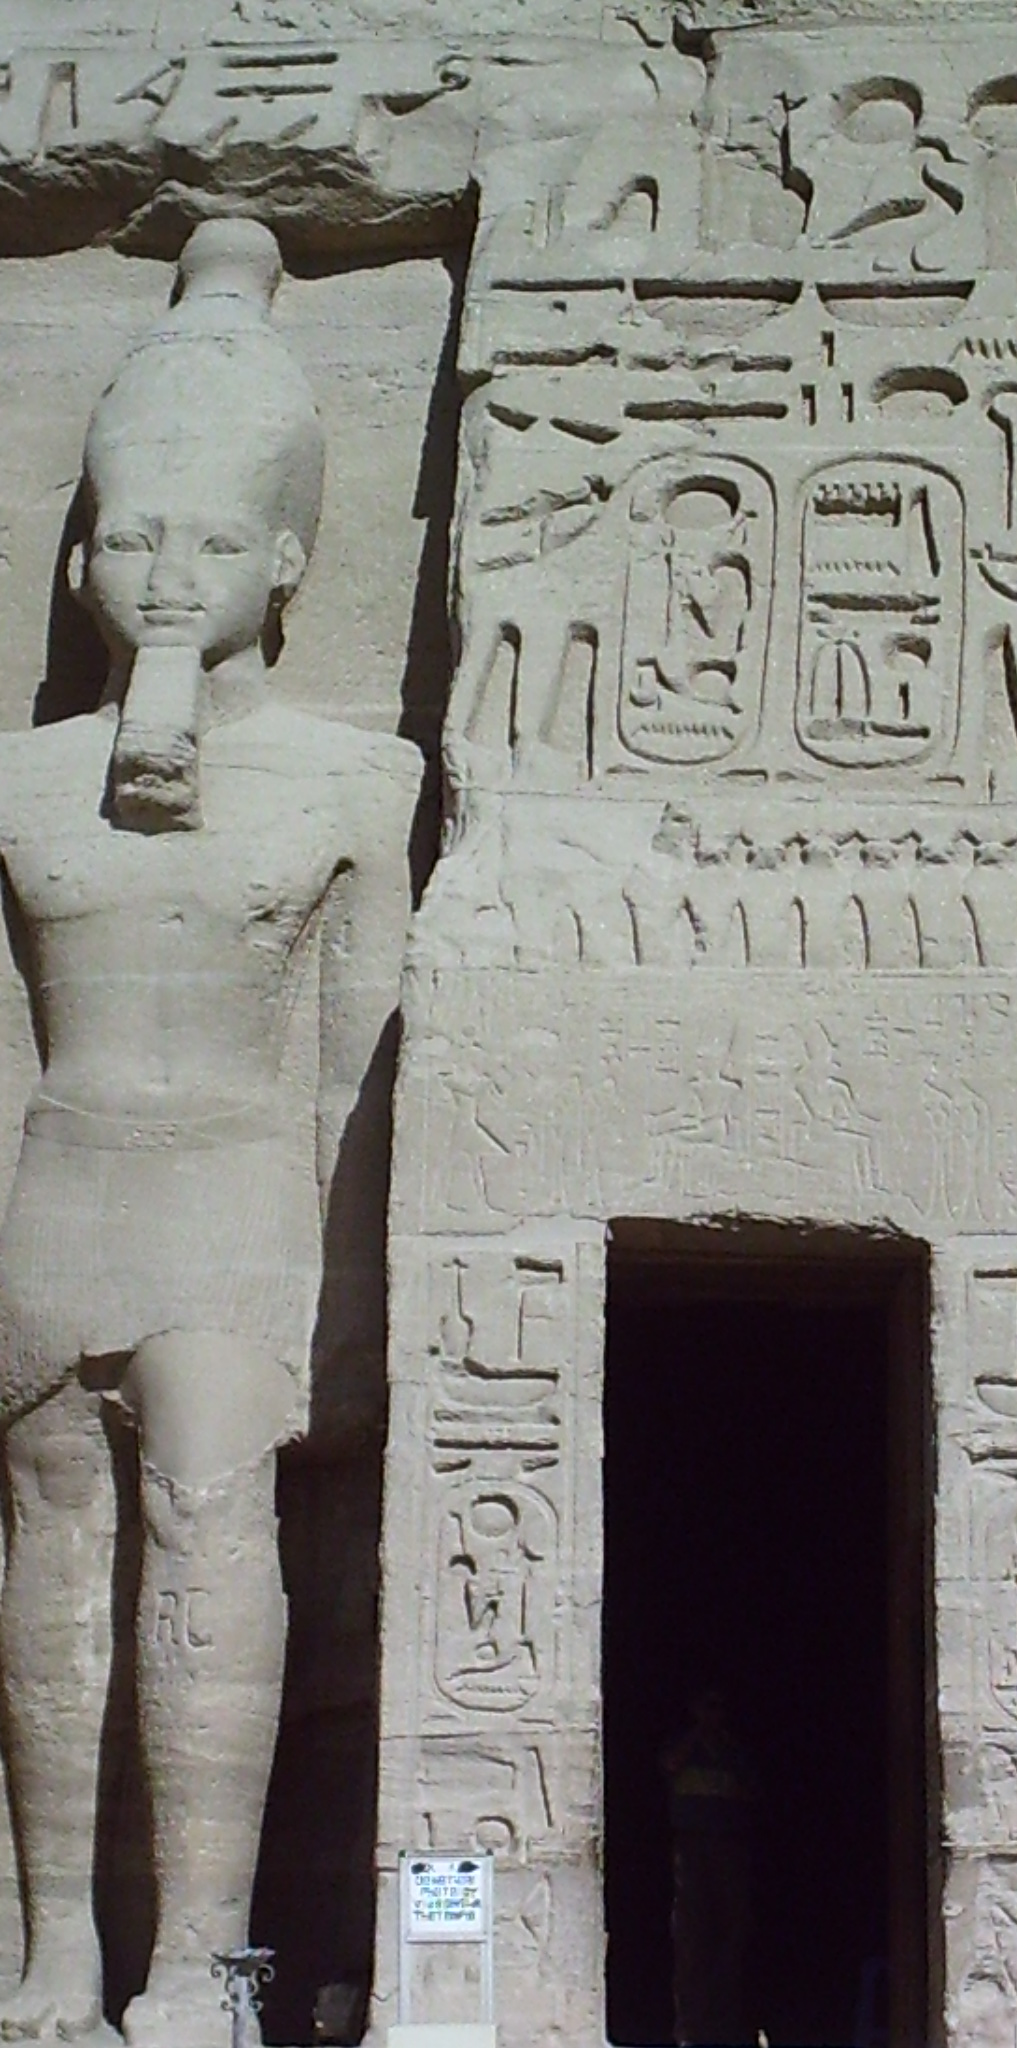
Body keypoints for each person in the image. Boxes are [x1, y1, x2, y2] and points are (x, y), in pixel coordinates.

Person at [0, 218, 420, 2046]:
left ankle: (196, 1956)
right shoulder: (17, 782)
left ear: (287, 560)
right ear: (86, 553)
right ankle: (56, 1952)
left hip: (243, 1195)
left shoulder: (357, 778)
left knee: (209, 1533)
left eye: (210, 539)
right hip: (61, 1187)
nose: (169, 573)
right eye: (137, 537)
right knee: (48, 1559)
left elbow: (358, 1061)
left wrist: (350, 1297)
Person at [661, 1687, 758, 2047]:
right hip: (692, 1847)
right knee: (690, 1937)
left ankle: (727, 2022)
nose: (714, 1714)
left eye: (719, 1707)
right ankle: (689, 2027)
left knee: (733, 1932)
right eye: (707, 1706)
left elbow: (753, 1789)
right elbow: (668, 1765)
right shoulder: (685, 1746)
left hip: (730, 1845)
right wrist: (698, 1735)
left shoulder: (734, 1750)